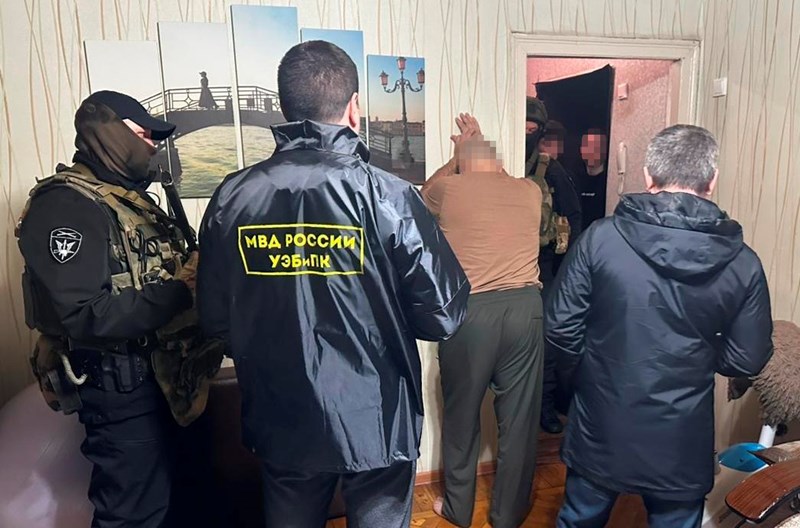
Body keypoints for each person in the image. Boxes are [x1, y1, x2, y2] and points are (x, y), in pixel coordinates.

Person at [196, 40, 469, 528]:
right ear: (354, 108)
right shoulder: (390, 197)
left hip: (282, 410)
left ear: (285, 107)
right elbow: (443, 316)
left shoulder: (232, 197)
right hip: (377, 415)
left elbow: (216, 321)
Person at [546, 124, 774, 528]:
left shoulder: (600, 239)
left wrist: (591, 375)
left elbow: (560, 329)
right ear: (712, 180)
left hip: (602, 418)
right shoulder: (744, 262)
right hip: (681, 432)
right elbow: (748, 358)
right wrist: (699, 355)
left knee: (580, 520)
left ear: (649, 175)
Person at [16, 90, 198, 527]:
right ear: (109, 134)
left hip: (166, 383)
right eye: (145, 135)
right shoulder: (66, 206)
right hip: (121, 393)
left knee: (180, 504)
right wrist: (182, 290)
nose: (153, 146)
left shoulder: (130, 200)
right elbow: (83, 314)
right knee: (134, 514)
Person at [421, 115, 544, 528]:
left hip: (471, 314)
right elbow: (501, 177)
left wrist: (459, 156)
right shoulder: (529, 191)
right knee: (520, 422)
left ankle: (458, 509)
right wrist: (479, 148)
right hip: (526, 310)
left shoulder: (449, 189)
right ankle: (507, 515)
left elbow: (423, 194)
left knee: (461, 417)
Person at [524, 98, 582, 434]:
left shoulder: (552, 171)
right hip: (510, 267)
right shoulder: (497, 165)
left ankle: (545, 407)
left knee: (545, 343)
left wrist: (565, 272)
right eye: (523, 127)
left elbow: (573, 218)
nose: (527, 134)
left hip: (544, 266)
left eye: (533, 129)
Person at [575, 128, 608, 230]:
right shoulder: (573, 180)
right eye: (587, 146)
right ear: (581, 150)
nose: (591, 151)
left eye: (596, 147)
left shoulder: (610, 181)